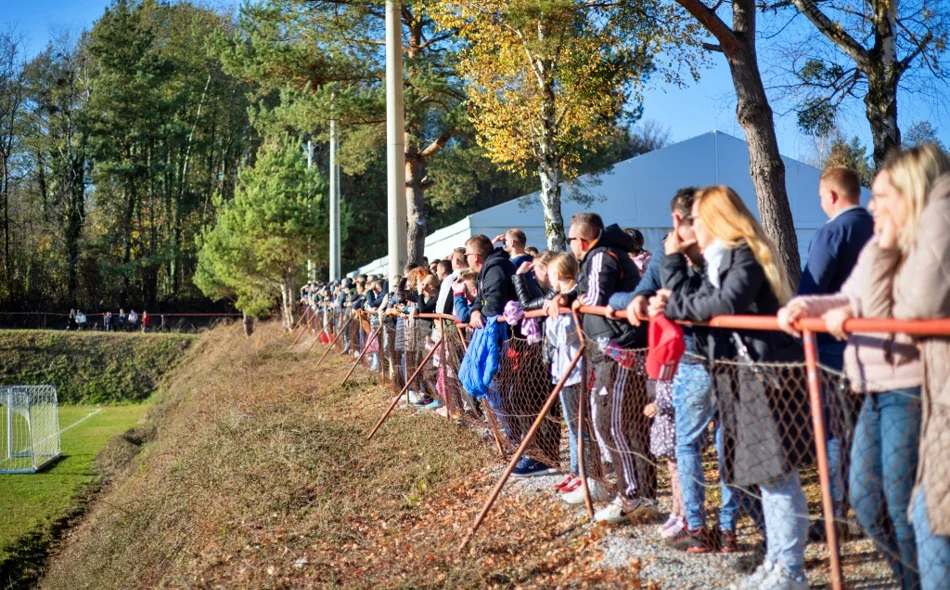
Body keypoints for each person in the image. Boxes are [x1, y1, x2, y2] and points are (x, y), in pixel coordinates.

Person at [780, 144, 950, 590]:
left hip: (909, 386)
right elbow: (850, 295)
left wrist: (890, 247)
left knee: (903, 505)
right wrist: (805, 306)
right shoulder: (883, 239)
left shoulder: (925, 236)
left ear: (910, 196)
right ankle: (906, 578)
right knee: (867, 501)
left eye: (883, 196)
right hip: (869, 384)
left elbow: (916, 305)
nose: (873, 206)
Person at [653, 185, 811, 589]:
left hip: (769, 377)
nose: (693, 229)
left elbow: (725, 303)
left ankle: (790, 570)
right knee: (767, 478)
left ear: (718, 221)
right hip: (744, 378)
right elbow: (704, 300)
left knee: (778, 479)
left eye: (699, 221)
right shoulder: (719, 259)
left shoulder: (744, 253)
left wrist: (670, 306)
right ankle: (777, 562)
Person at [567, 211, 657, 524]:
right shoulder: (603, 255)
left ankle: (633, 494)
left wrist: (578, 301)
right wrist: (567, 298)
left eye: (570, 241)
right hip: (614, 346)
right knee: (626, 424)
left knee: (613, 423)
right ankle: (641, 493)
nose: (570, 248)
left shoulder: (601, 256)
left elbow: (594, 296)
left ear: (580, 240)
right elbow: (582, 291)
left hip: (619, 349)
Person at [798, 166, 875, 527]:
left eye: (820, 197)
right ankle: (872, 505)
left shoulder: (833, 231)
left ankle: (835, 512)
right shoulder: (882, 230)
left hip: (833, 348)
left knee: (833, 432)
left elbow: (810, 291)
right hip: (879, 346)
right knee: (867, 429)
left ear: (831, 196)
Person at [544, 252, 589, 496]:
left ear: (558, 275)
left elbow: (565, 336)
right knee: (571, 426)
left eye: (550, 274)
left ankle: (585, 473)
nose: (548, 279)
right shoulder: (557, 300)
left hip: (576, 369)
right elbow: (551, 338)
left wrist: (556, 316)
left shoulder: (573, 300)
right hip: (562, 368)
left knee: (579, 425)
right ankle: (574, 470)